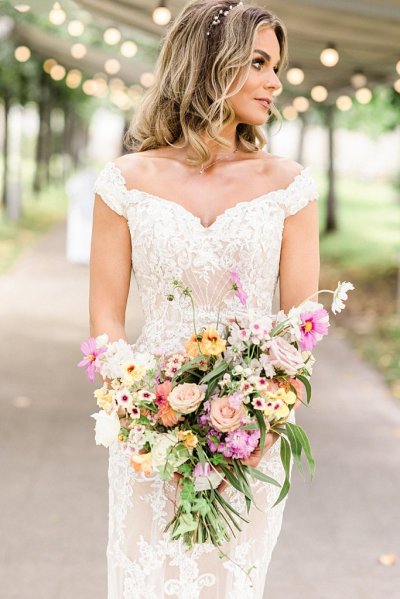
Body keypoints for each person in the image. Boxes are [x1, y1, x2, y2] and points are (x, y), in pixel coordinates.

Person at [89, 1, 320, 597]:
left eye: (278, 65)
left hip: (251, 434)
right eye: (259, 63)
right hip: (150, 430)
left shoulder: (289, 184)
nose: (275, 81)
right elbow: (106, 318)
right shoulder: (126, 180)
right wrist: (137, 408)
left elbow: (302, 323)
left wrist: (269, 410)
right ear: (211, 65)